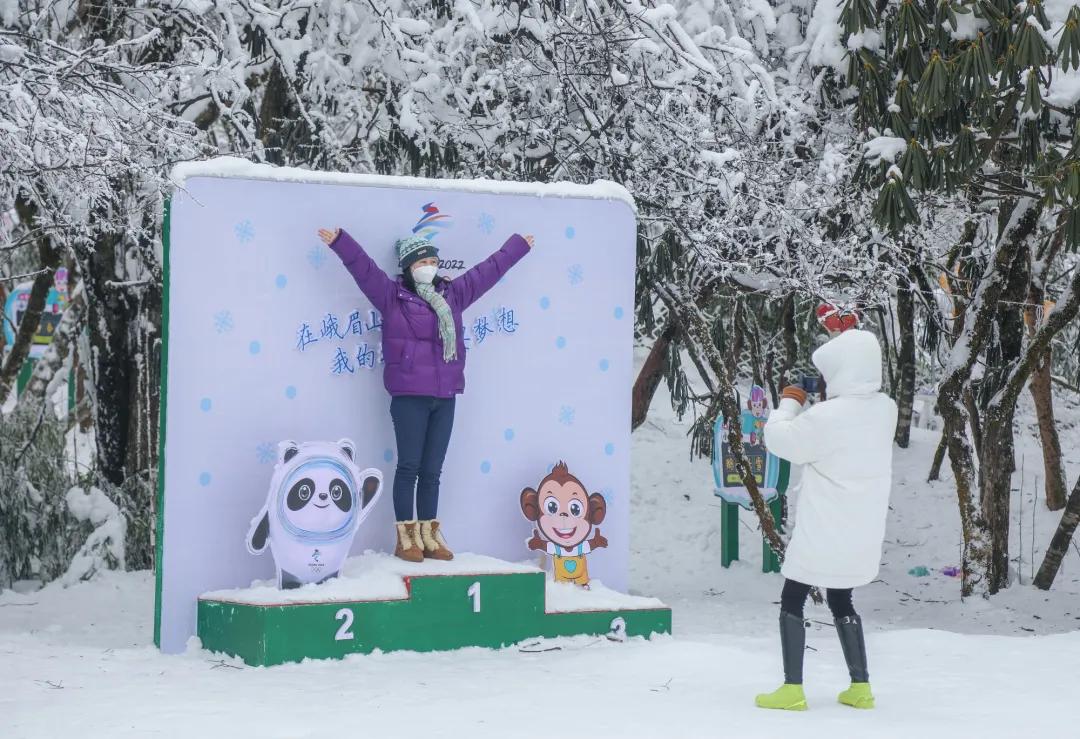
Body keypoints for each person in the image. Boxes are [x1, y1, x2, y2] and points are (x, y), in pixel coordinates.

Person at [317, 226, 533, 562]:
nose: (430, 265)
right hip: (409, 396)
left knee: (433, 470)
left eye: (434, 260)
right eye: (423, 261)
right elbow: (364, 269)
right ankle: (406, 538)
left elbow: (487, 271)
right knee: (409, 467)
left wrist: (517, 247)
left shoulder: (453, 295)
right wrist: (341, 242)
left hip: (445, 396)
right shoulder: (392, 298)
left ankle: (430, 535)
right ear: (409, 266)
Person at [755, 325, 898, 711]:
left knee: (792, 597)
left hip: (823, 530)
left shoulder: (826, 417)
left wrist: (790, 400)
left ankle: (792, 689)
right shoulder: (886, 409)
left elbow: (779, 439)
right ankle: (860, 687)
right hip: (861, 532)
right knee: (842, 598)